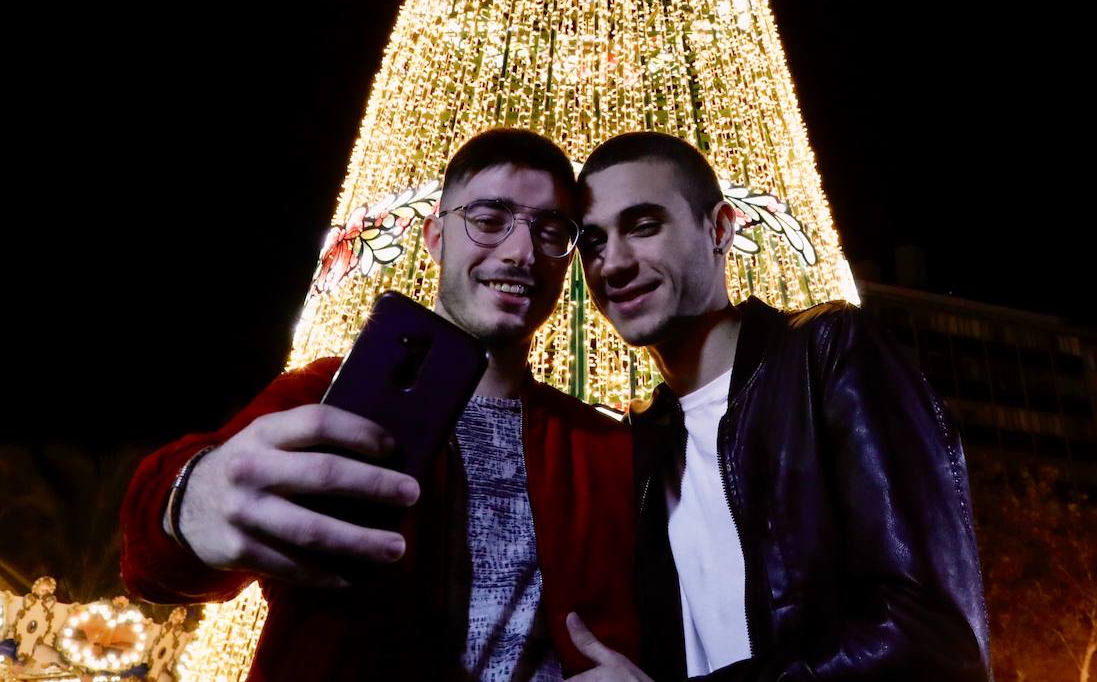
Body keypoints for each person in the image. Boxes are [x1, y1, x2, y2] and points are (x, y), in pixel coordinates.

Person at [120, 129, 640, 681]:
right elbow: (156, 557)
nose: (520, 252)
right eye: (489, 221)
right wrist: (190, 500)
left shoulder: (602, 445)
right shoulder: (329, 394)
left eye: (551, 231)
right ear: (435, 237)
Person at [573, 131, 993, 682]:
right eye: (593, 243)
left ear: (719, 229)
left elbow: (932, 635)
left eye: (644, 226)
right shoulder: (637, 442)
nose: (613, 264)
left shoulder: (829, 353)